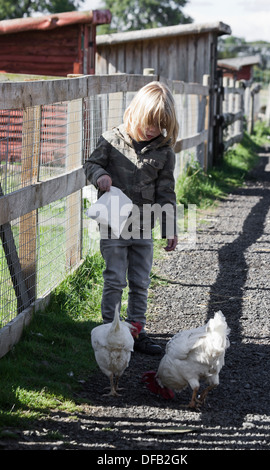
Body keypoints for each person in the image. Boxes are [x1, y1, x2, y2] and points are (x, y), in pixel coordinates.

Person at [84, 81, 179, 355]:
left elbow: (166, 191)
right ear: (135, 112)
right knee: (115, 278)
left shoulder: (164, 152)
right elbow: (91, 164)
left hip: (143, 227)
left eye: (159, 126)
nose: (152, 131)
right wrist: (99, 176)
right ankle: (109, 331)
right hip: (113, 226)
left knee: (140, 281)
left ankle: (137, 331)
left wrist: (170, 227)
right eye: (149, 123)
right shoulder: (111, 140)